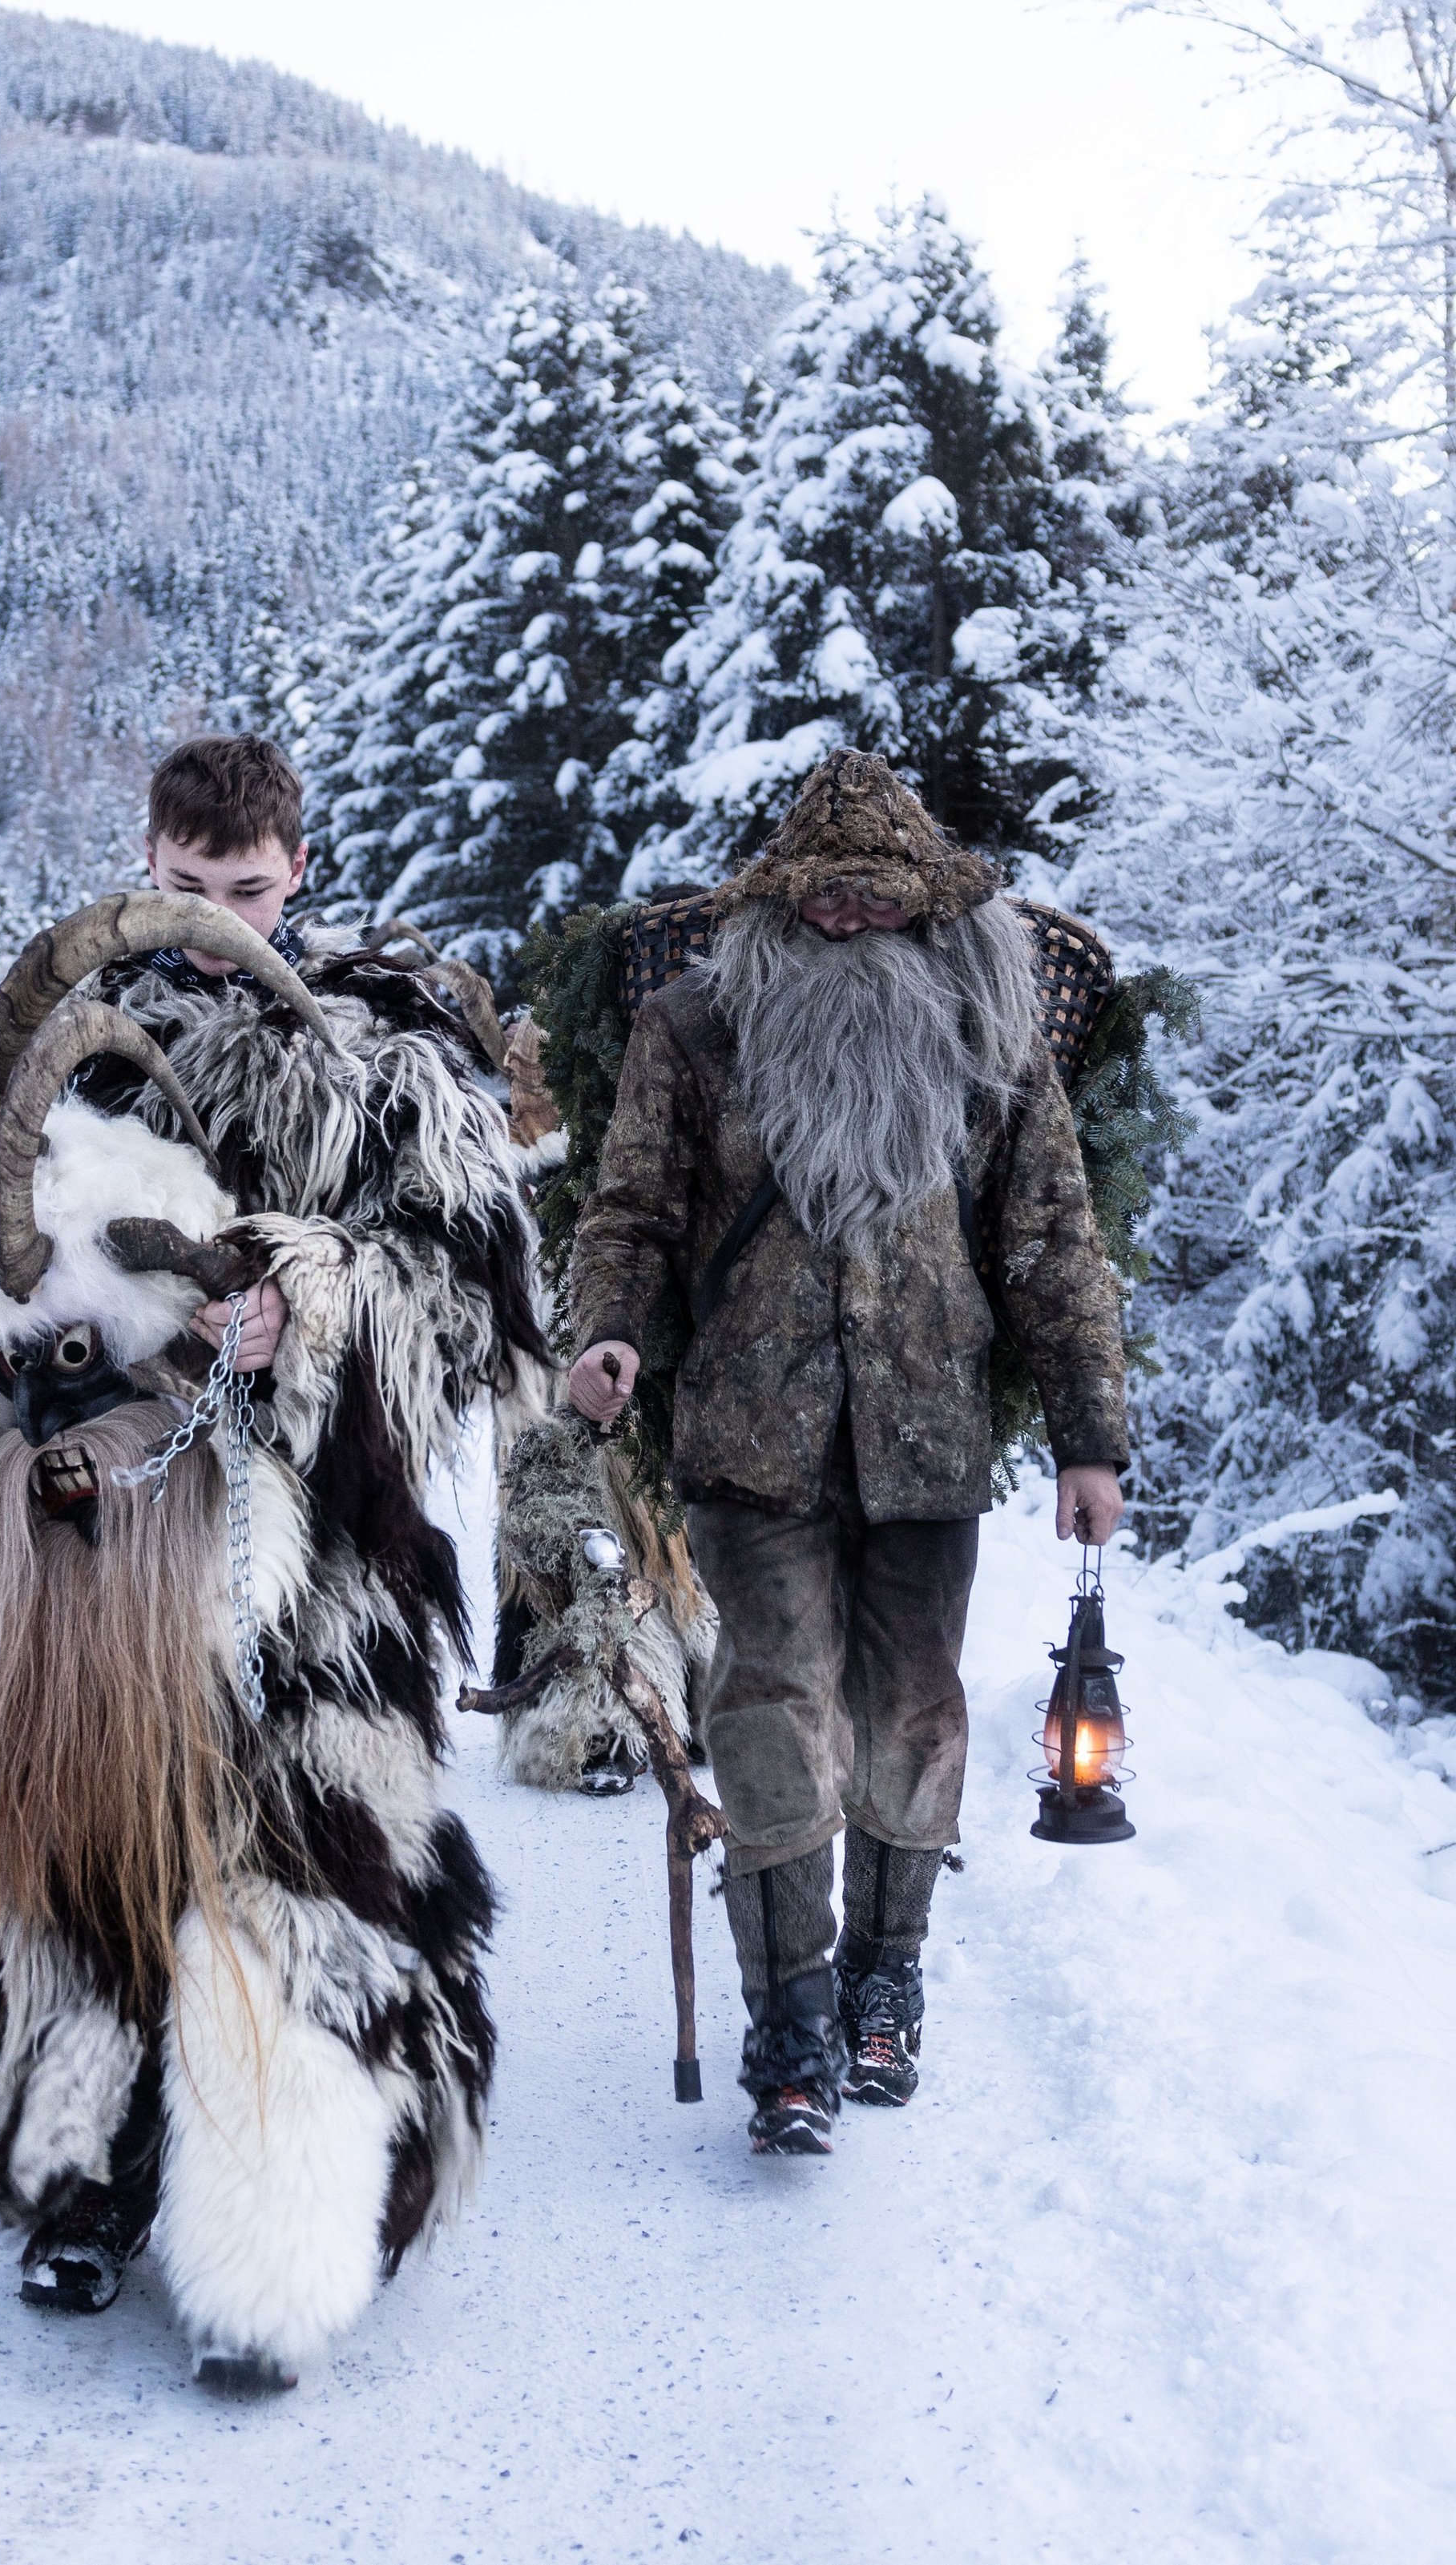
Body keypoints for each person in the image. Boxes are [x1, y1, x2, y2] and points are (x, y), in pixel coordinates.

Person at [0, 732, 552, 2372]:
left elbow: (475, 1298)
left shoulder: (382, 1054)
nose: (216, 916)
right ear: (143, 859)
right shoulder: (52, 1047)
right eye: (185, 881)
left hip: (319, 1546)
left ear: (299, 871)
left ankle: (280, 2237)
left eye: (248, 888)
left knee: (303, 1868)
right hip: (85, 1536)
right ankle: (83, 2181)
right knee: (72, 1862)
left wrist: (309, 1296)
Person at [564, 750, 1127, 2156]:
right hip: (751, 1439)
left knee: (916, 1717)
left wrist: (1090, 1439)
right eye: (825, 899)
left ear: (926, 906)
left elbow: (1053, 1243)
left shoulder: (991, 1040)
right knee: (769, 1712)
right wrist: (610, 1330)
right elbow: (631, 1212)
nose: (849, 921)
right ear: (781, 898)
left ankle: (887, 1983)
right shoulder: (695, 1030)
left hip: (926, 1439)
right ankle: (792, 2023)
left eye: (878, 901)